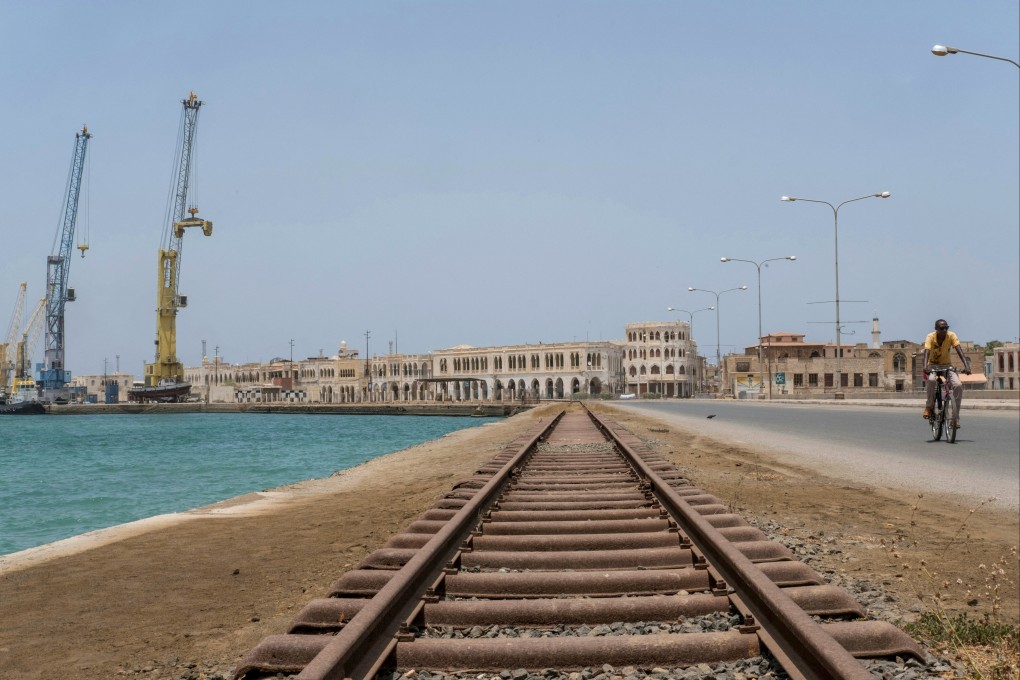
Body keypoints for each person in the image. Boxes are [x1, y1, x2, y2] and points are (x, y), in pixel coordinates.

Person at [922, 319, 971, 427]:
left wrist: (967, 366)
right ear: (936, 329)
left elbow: (959, 351)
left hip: (947, 366)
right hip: (933, 365)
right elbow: (926, 352)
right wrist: (925, 367)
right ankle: (929, 407)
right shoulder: (930, 337)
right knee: (931, 380)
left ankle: (955, 418)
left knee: (958, 385)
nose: (944, 330)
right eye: (941, 328)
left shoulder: (951, 336)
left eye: (946, 328)